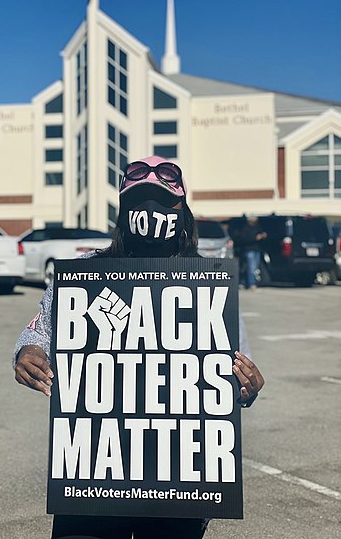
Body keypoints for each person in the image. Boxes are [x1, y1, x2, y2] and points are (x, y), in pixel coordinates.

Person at [14, 155, 265, 539]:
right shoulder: (87, 273)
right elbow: (39, 331)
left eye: (165, 204)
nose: (152, 212)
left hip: (181, 482)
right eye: (139, 203)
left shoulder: (209, 283)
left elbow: (236, 363)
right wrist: (27, 351)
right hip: (93, 476)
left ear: (183, 212)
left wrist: (247, 385)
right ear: (124, 211)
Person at [235, 215, 267, 290]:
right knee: (251, 267)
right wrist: (255, 238)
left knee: (254, 267)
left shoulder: (258, 227)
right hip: (249, 250)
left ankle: (244, 282)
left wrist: (263, 236)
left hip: (257, 250)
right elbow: (244, 239)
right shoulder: (245, 228)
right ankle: (251, 284)